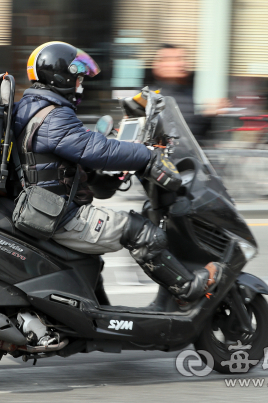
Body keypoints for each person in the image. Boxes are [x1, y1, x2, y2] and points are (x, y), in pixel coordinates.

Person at [12, 41, 222, 304]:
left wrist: (100, 179)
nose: (81, 85)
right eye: (78, 79)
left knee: (93, 261)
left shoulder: (35, 107)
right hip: (60, 217)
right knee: (143, 233)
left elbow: (71, 155)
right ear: (61, 76)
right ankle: (188, 289)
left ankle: (97, 314)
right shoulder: (54, 116)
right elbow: (95, 148)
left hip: (49, 208)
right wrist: (146, 156)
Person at [148, 44, 229, 145]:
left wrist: (208, 116)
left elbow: (194, 135)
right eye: (173, 59)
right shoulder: (147, 98)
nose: (181, 63)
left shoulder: (191, 93)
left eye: (183, 58)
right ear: (158, 65)